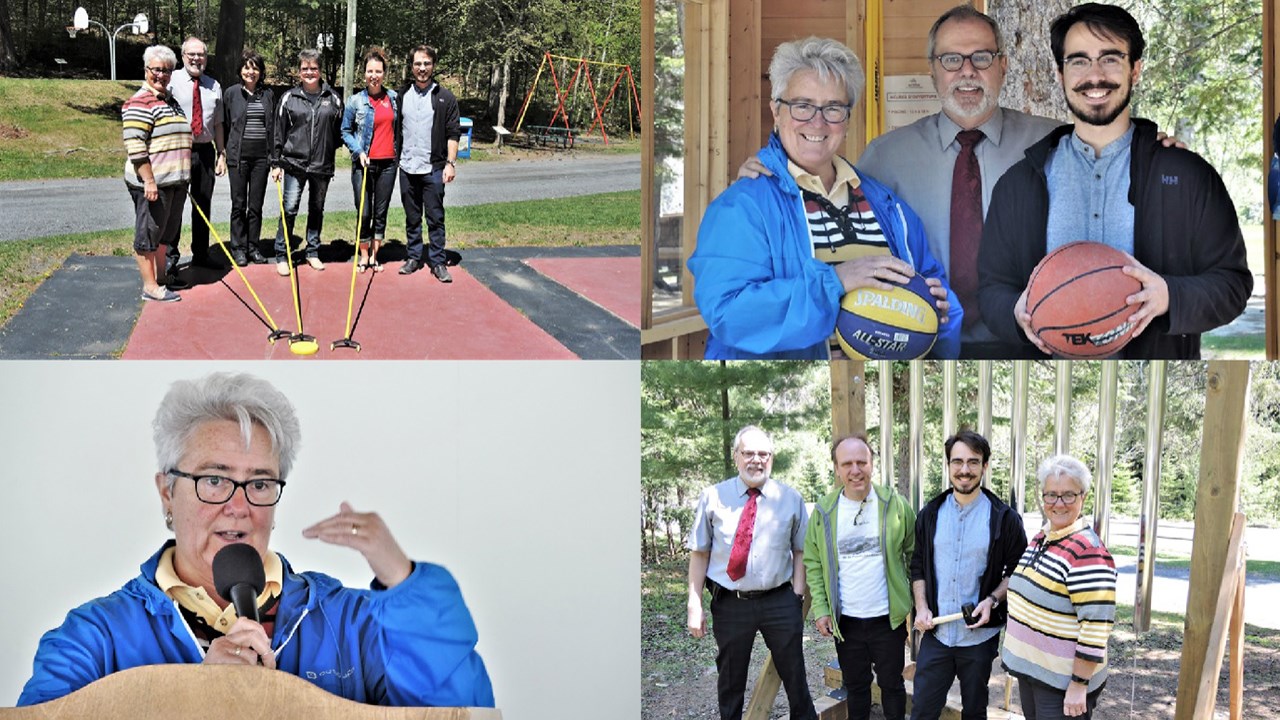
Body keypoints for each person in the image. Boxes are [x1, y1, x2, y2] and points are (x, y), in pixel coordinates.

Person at [17, 372, 494, 708]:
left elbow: (462, 708)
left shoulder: (351, 624)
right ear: (167, 491)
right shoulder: (93, 638)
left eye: (260, 483)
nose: (239, 506)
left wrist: (404, 584)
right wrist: (192, 699)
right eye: (214, 479)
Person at [734, 6, 1185, 358]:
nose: (966, 71)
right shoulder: (883, 157)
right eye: (951, 59)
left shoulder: (1056, 142)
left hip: (1036, 339)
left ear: (1003, 66)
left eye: (981, 58)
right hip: (918, 341)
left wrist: (1156, 146)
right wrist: (771, 170)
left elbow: (1118, 157)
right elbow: (823, 185)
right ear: (933, 69)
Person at [976, 3, 1252, 359]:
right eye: (1078, 60)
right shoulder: (1019, 184)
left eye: (1110, 58)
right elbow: (991, 289)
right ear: (1060, 74)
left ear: (1134, 70)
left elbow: (1233, 285)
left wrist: (1170, 295)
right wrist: (1015, 313)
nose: (1095, 75)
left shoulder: (1188, 176)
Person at [688, 36, 960, 360]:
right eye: (802, 106)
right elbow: (728, 311)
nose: (817, 122)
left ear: (847, 119)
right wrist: (836, 282)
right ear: (776, 111)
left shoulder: (888, 205)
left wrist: (937, 307)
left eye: (833, 108)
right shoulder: (742, 207)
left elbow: (935, 291)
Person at [686, 426, 815, 720]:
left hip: (780, 601)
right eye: (748, 453)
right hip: (731, 603)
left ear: (772, 458)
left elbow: (800, 552)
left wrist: (796, 596)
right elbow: (700, 552)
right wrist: (694, 603)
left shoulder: (790, 498)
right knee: (730, 682)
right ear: (736, 457)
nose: (756, 460)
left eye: (764, 454)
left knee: (795, 677)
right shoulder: (713, 497)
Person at [908, 430, 1027, 720]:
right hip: (937, 633)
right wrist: (921, 608)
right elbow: (918, 568)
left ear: (985, 466)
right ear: (948, 465)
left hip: (978, 640)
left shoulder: (1005, 519)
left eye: (973, 462)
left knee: (974, 712)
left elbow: (1018, 573)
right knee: (922, 711)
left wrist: (992, 600)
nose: (965, 470)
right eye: (957, 461)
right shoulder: (930, 514)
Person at [803, 434, 915, 720]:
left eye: (861, 462)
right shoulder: (824, 512)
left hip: (887, 620)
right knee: (856, 687)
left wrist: (912, 602)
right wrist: (822, 609)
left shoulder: (896, 506)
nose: (855, 470)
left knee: (892, 684)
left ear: (872, 464)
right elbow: (813, 563)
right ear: (837, 469)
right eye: (847, 463)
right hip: (847, 623)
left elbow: (914, 556)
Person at [1002, 455, 1116, 719]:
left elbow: (1096, 629)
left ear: (1083, 497)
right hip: (1036, 673)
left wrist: (1079, 684)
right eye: (1051, 495)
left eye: (1068, 495)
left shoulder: (1088, 552)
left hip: (1063, 684)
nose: (1058, 503)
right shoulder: (1044, 537)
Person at [122, 45, 191, 304]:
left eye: (167, 71)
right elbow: (136, 146)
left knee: (165, 233)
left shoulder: (169, 100)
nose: (162, 75)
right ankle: (150, 286)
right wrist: (149, 180)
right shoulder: (140, 101)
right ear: (146, 70)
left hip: (174, 181)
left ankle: (162, 277)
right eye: (157, 70)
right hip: (153, 184)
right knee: (148, 234)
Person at [272, 49, 343, 277]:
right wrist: (276, 162)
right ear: (299, 71)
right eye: (305, 68)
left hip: (321, 166)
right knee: (290, 209)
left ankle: (312, 251)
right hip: (294, 164)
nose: (309, 72)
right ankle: (282, 254)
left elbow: (339, 131)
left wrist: (327, 150)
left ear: (320, 70)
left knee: (317, 209)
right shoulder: (289, 98)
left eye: (313, 68)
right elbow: (278, 132)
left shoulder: (333, 99)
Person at [395, 44, 461, 282]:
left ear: (433, 65)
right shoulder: (401, 96)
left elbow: (453, 133)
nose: (422, 68)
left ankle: (438, 261)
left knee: (435, 217)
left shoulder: (445, 98)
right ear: (411, 67)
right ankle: (413, 257)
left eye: (426, 63)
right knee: (412, 217)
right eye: (417, 64)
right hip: (407, 167)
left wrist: (450, 163)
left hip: (433, 169)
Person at [166, 36, 225, 279]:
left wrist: (221, 153)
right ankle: (170, 257)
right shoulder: (171, 81)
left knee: (202, 204)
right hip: (177, 151)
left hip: (204, 151)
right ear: (182, 56)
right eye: (191, 54)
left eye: (200, 54)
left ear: (206, 58)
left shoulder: (214, 86)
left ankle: (200, 253)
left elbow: (219, 123)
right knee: (175, 206)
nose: (196, 59)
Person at [341, 47, 400, 273]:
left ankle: (376, 256)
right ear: (363, 73)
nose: (373, 75)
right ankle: (363, 256)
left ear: (384, 73)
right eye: (369, 71)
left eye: (378, 71)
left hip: (388, 165)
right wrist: (358, 151)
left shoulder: (394, 99)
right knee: (364, 212)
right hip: (363, 164)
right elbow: (345, 131)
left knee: (380, 213)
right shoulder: (355, 101)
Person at [222, 49, 274, 266]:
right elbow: (224, 125)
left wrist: (275, 158)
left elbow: (273, 127)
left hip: (261, 159)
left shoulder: (268, 94)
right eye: (246, 67)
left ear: (261, 71)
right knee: (238, 204)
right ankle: (238, 248)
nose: (250, 71)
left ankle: (253, 247)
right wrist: (223, 153)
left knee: (255, 206)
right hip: (238, 159)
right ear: (240, 70)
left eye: (255, 67)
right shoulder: (231, 94)